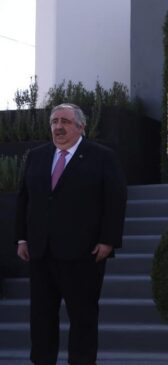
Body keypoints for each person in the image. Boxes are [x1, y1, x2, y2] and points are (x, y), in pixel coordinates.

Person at [15, 103, 127, 365]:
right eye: (54, 121)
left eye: (64, 121)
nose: (58, 127)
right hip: (41, 252)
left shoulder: (102, 156)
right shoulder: (37, 156)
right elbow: (24, 199)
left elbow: (115, 200)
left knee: (83, 318)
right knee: (41, 317)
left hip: (83, 253)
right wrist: (21, 237)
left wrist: (109, 240)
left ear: (81, 127)